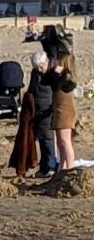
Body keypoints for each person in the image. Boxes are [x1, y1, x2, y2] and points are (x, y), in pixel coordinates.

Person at [47, 33, 79, 169]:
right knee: (61, 141)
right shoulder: (61, 72)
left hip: (65, 109)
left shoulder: (66, 76)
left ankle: (69, 167)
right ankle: (63, 166)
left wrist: (56, 72)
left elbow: (63, 83)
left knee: (65, 141)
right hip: (59, 107)